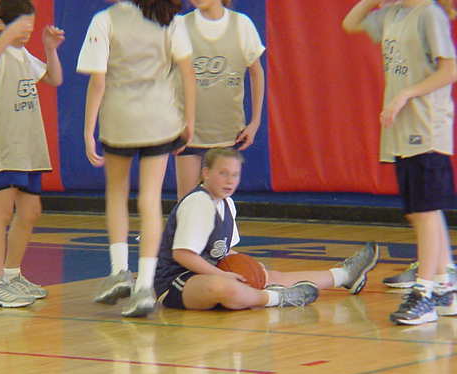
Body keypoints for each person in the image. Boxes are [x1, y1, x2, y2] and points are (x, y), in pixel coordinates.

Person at [76, 0, 196, 317]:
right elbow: (187, 74)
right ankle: (144, 285)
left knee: (117, 193)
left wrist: (88, 130)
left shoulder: (105, 19)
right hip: (160, 119)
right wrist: (189, 120)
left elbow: (98, 80)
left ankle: (119, 271)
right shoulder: (171, 19)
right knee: (150, 200)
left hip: (119, 120)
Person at [343, 0, 457, 325]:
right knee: (420, 211)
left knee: (425, 211)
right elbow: (350, 23)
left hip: (426, 126)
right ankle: (445, 285)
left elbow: (450, 70)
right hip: (402, 128)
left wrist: (406, 94)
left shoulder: (429, 14)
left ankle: (425, 291)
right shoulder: (393, 14)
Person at [155, 148, 380, 311]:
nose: (230, 181)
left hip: (208, 272)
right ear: (205, 173)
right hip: (176, 281)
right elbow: (183, 255)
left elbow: (224, 251)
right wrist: (222, 274)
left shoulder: (227, 203)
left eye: (235, 175)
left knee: (265, 275)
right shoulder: (198, 203)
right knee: (223, 287)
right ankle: (276, 299)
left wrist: (251, 264)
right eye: (223, 173)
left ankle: (345, 275)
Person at [0, 0, 64, 308]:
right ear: (2, 24)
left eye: (30, 26)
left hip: (29, 146)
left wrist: (49, 48)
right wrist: (5, 36)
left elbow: (54, 79)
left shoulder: (22, 54)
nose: (27, 31)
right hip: (4, 146)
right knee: (0, 213)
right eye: (22, 25)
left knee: (30, 212)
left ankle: (12, 275)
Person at [174, 0, 265, 200]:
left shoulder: (241, 24)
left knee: (220, 204)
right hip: (189, 133)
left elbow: (256, 72)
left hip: (228, 134)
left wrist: (255, 122)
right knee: (187, 204)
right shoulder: (180, 25)